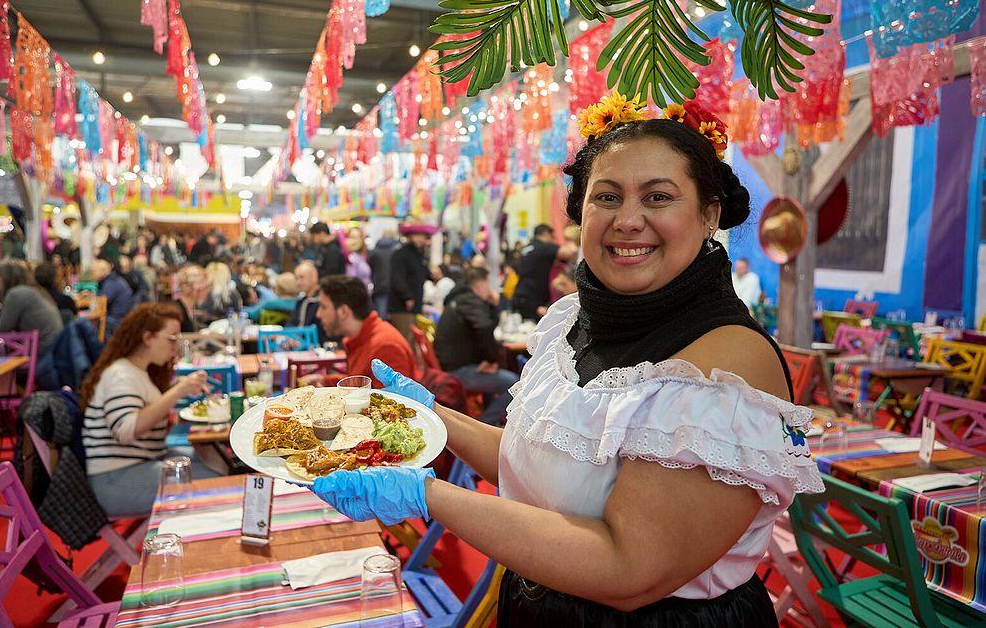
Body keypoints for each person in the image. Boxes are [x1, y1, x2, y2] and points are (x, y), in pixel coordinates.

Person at [308, 95, 823, 626]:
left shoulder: (725, 364)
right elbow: (537, 459)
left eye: (658, 196)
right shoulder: (575, 318)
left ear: (709, 213)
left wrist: (427, 494)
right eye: (607, 196)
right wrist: (430, 418)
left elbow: (629, 568)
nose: (627, 220)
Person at [80, 303, 220, 517]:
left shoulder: (137, 372)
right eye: (171, 339)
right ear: (147, 338)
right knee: (219, 482)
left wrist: (175, 391)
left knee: (217, 463)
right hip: (115, 479)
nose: (175, 346)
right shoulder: (121, 374)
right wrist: (177, 392)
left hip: (137, 465)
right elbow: (126, 430)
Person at [434, 267, 519, 426]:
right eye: (488, 283)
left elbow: (486, 326)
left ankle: (488, 418)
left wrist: (493, 306)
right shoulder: (469, 301)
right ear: (480, 285)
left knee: (499, 379)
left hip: (455, 363)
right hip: (457, 370)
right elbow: (485, 327)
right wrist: (491, 360)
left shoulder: (459, 299)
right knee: (516, 384)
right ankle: (484, 424)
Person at [299, 275, 417, 388]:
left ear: (344, 312)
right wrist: (325, 381)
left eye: (323, 307)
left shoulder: (385, 347)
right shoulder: (359, 337)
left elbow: (392, 403)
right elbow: (361, 383)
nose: (318, 314)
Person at [0, 259, 63, 351]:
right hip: (54, 349)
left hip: (43, 354)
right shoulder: (31, 289)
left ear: (6, 277)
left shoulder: (16, 293)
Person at [511, 224, 576, 321]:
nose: (553, 240)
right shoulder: (544, 247)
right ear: (545, 234)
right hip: (535, 301)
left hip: (521, 295)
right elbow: (568, 253)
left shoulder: (526, 249)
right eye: (552, 237)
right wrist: (571, 240)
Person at [388, 223, 434, 344]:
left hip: (415, 306)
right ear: (410, 236)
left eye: (422, 235)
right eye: (416, 235)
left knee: (414, 341)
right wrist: (407, 296)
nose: (419, 238)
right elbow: (397, 279)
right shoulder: (401, 254)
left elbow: (422, 273)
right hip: (402, 307)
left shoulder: (420, 255)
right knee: (406, 341)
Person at [91, 258, 135, 339]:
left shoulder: (111, 283)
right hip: (122, 317)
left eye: (93, 271)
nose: (92, 274)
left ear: (101, 271)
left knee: (87, 324)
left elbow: (101, 303)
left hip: (117, 320)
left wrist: (90, 298)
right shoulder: (113, 280)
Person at [367, 230, 398, 319]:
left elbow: (368, 267)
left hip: (379, 286)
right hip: (394, 287)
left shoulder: (374, 251)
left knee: (380, 316)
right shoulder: (397, 251)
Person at [173, 265, 211, 333]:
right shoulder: (177, 310)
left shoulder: (189, 307)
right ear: (195, 288)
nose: (208, 290)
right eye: (206, 286)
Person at [344, 226, 373, 291]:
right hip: (356, 293)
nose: (355, 240)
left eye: (357, 237)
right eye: (352, 237)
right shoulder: (349, 256)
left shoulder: (365, 254)